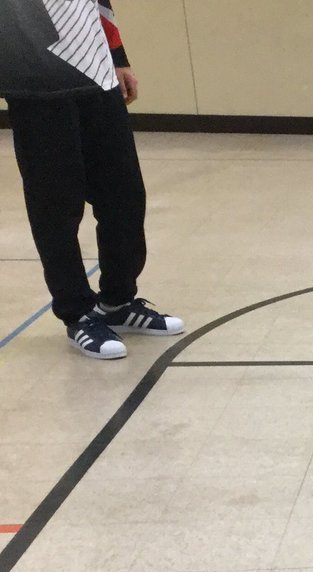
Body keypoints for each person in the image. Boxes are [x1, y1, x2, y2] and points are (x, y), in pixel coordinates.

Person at [1, 1, 183, 359]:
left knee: (125, 196)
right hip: (36, 85)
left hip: (97, 74)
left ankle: (118, 300)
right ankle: (78, 313)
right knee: (56, 208)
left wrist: (117, 56)